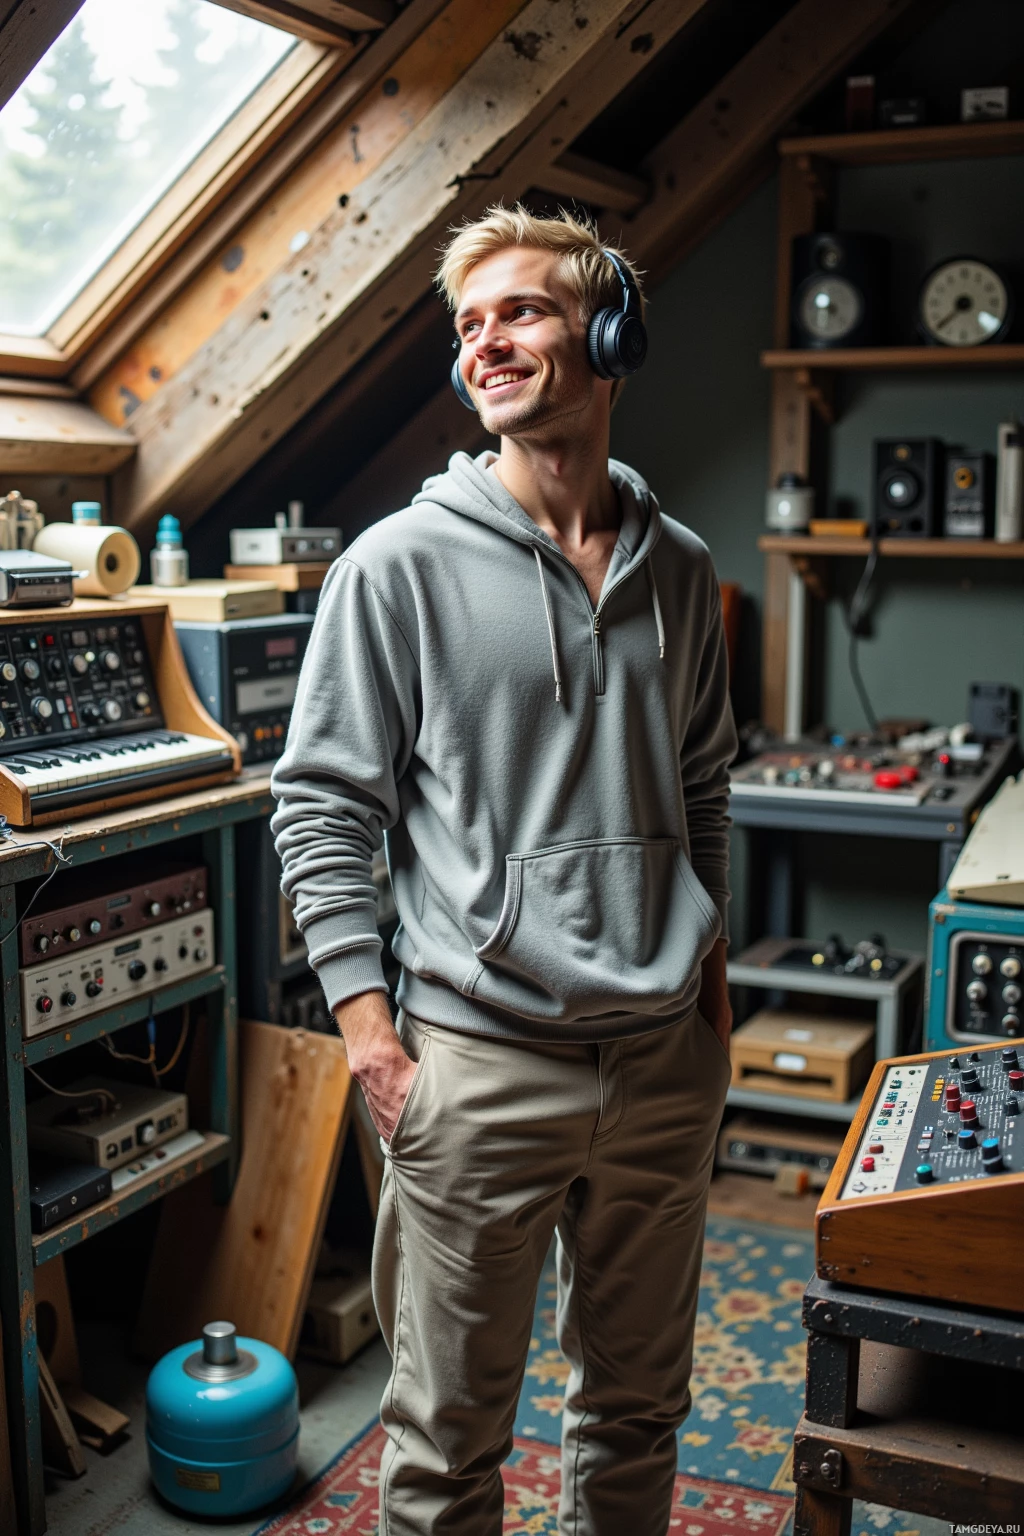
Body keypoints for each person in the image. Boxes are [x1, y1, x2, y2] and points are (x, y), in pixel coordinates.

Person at [271, 205, 737, 1536]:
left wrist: (708, 990)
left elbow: (702, 786)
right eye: (468, 327)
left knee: (638, 1418)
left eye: (521, 312)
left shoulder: (683, 573)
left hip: (659, 1067)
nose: (488, 345)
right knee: (447, 1447)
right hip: (478, 1068)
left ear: (609, 335)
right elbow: (321, 805)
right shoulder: (395, 566)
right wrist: (371, 1035)